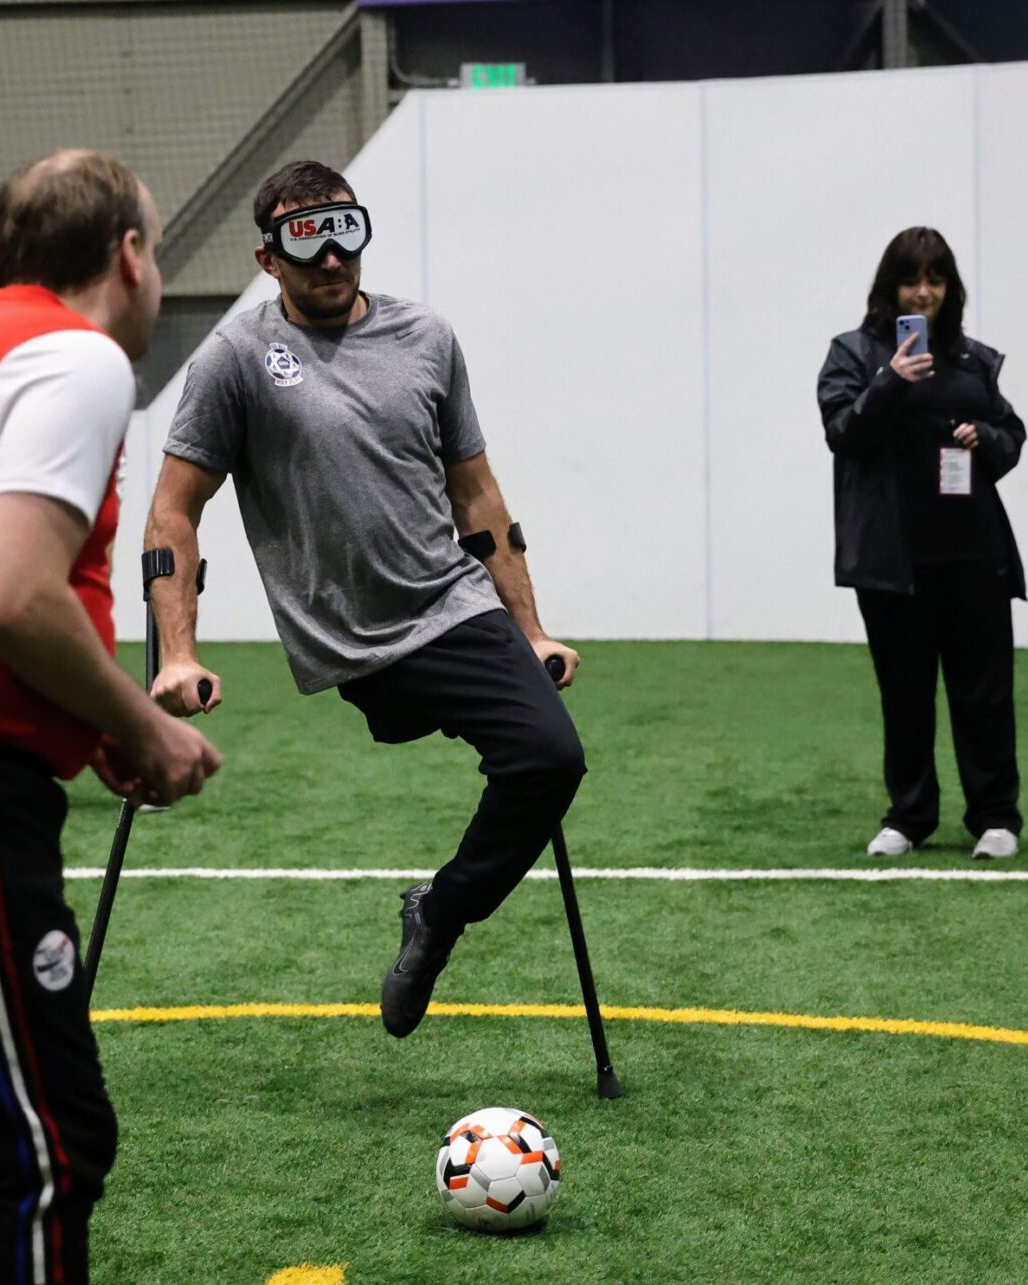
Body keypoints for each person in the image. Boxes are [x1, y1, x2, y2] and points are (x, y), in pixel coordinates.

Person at [144, 159, 586, 1038]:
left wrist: (532, 629)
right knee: (524, 747)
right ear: (268, 257)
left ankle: (439, 913)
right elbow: (172, 512)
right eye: (306, 239)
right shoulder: (234, 360)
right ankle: (438, 908)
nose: (331, 257)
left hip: (454, 606)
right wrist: (178, 654)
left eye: (344, 232)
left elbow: (476, 494)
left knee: (551, 756)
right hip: (352, 641)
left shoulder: (426, 336)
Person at [0, 151, 221, 1284]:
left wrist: (83, 732)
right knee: (52, 1147)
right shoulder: (77, 357)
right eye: (160, 247)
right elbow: (17, 594)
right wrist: (141, 725)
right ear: (129, 256)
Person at [817, 227, 1024, 861]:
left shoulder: (972, 359)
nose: (924, 293)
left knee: (985, 694)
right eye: (912, 280)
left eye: (936, 280)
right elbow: (842, 432)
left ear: (950, 289)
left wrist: (986, 440)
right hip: (894, 563)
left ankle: (995, 817)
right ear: (891, 288)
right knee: (906, 695)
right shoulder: (854, 354)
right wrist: (892, 380)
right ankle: (909, 818)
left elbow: (1011, 434)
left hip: (975, 554)